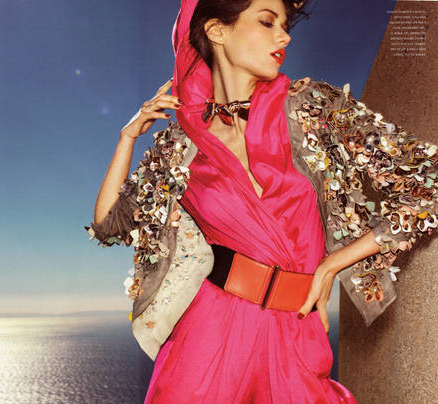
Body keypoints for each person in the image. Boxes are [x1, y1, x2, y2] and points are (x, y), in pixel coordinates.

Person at [87, 0, 438, 402]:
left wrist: (332, 265)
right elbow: (109, 223)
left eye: (285, 25)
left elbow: (429, 184)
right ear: (218, 31)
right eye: (267, 22)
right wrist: (127, 137)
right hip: (206, 339)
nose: (284, 36)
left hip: (296, 329)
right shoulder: (181, 143)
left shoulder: (314, 109)